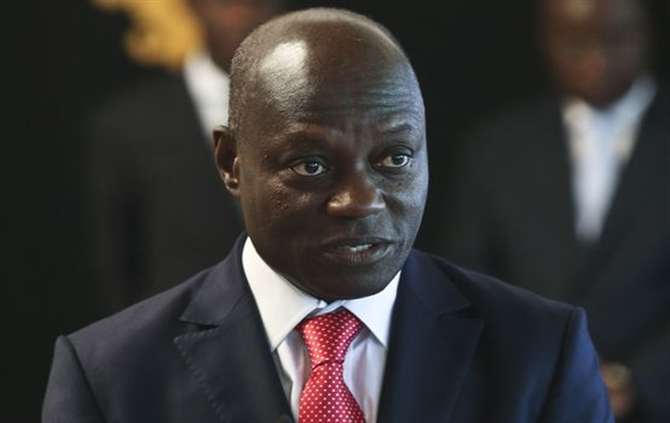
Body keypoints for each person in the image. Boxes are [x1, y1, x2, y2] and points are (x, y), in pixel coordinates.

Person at [44, 8, 613, 422]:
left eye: (395, 158)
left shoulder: (541, 353)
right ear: (231, 162)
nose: (359, 200)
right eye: (311, 165)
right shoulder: (109, 377)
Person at [438, 0, 669, 421]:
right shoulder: (496, 147)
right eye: (576, 41)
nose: (597, 57)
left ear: (646, 34)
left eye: (615, 38)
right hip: (523, 399)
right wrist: (527, 372)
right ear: (546, 40)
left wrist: (635, 381)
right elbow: (465, 278)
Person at [85, 0, 282, 314]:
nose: (240, 15)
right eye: (225, 3)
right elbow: (116, 265)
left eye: (254, 3)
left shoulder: (319, 108)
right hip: (175, 330)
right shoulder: (129, 125)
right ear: (194, 7)